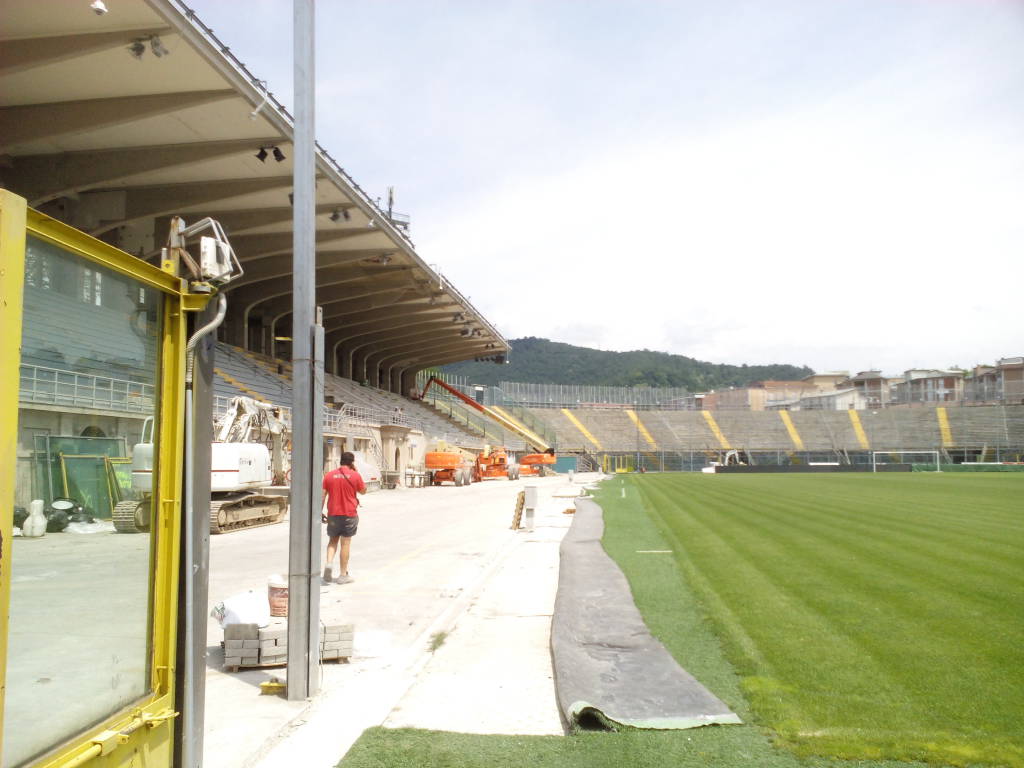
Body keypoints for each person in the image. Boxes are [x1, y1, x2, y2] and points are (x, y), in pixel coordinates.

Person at [321, 451, 366, 585]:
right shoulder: (355, 475)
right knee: (345, 543)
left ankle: (329, 564)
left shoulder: (328, 476)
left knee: (333, 541)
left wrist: (319, 510)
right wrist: (356, 472)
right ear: (351, 462)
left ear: (340, 461)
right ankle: (342, 575)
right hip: (349, 514)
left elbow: (322, 495)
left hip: (333, 514)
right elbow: (363, 491)